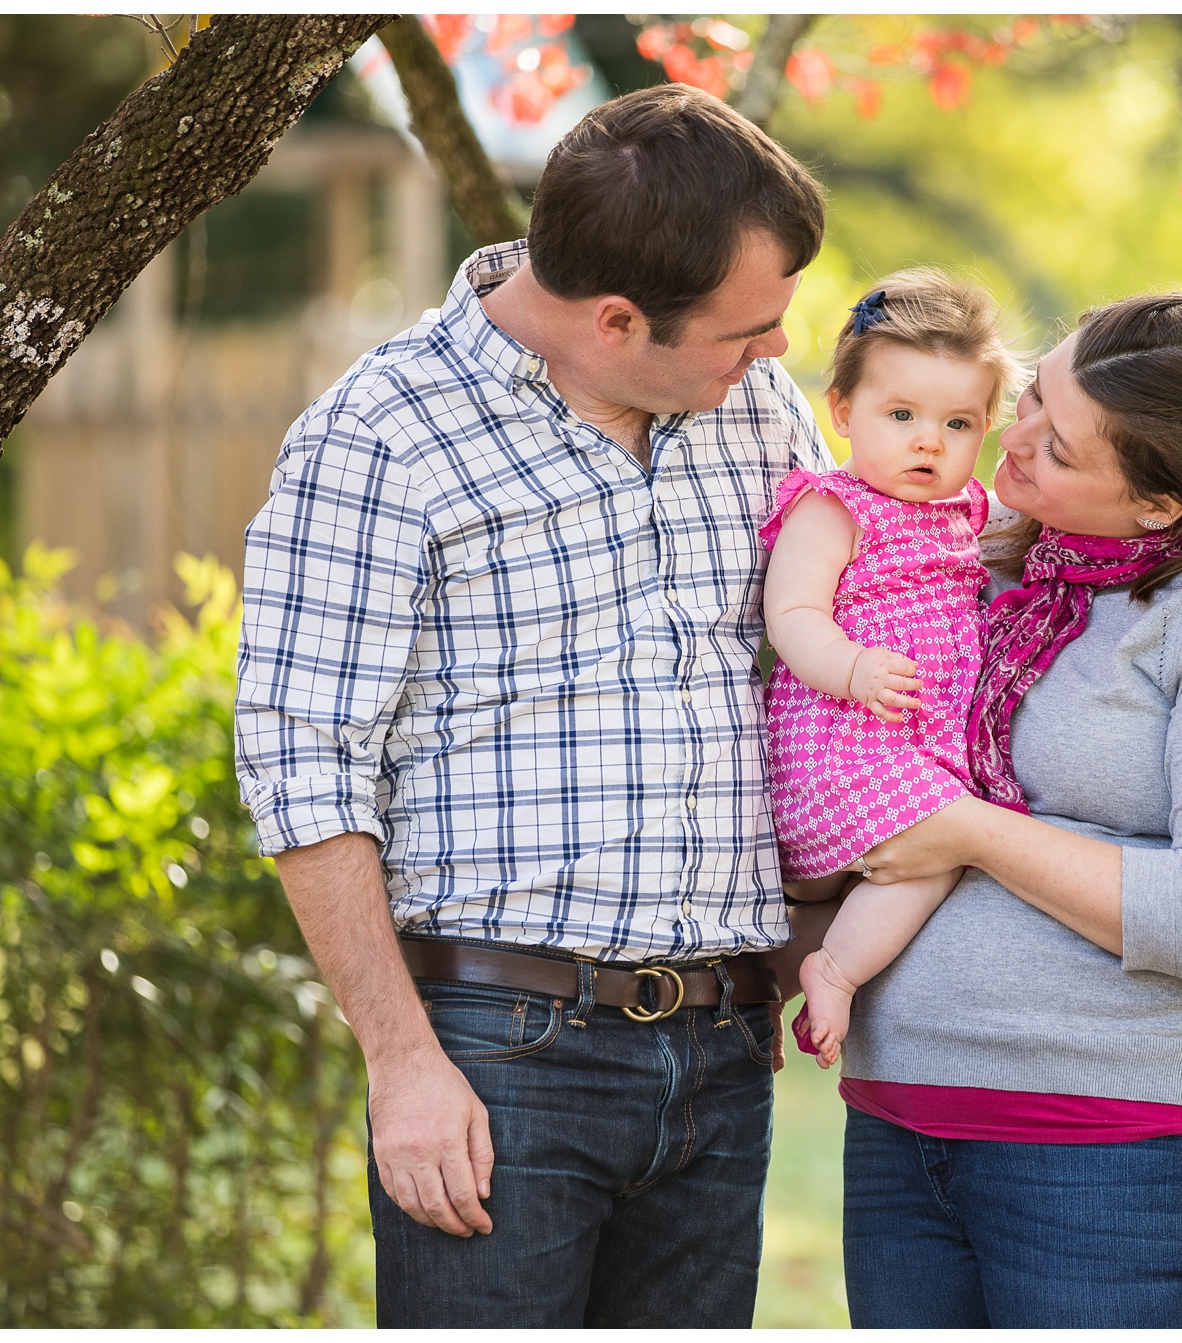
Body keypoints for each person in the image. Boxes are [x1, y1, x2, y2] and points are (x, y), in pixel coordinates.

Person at [233, 85, 830, 1328]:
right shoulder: (379, 437)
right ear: (616, 319)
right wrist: (402, 1064)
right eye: (746, 329)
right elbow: (304, 768)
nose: (775, 353)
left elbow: (826, 661)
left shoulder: (753, 411)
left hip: (722, 1046)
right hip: (500, 1054)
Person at [818, 293, 1182, 1328]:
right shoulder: (976, 563)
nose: (1014, 437)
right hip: (902, 1123)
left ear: (1160, 502)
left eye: (1063, 445)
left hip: (1115, 1148)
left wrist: (972, 830)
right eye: (1033, 392)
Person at [756, 270, 1020, 1068]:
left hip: (915, 744)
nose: (928, 441)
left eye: (958, 422)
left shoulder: (971, 510)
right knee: (936, 852)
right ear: (842, 411)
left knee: (908, 865)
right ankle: (833, 970)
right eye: (900, 414)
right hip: (845, 738)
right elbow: (793, 612)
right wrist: (852, 666)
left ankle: (771, 984)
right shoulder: (833, 505)